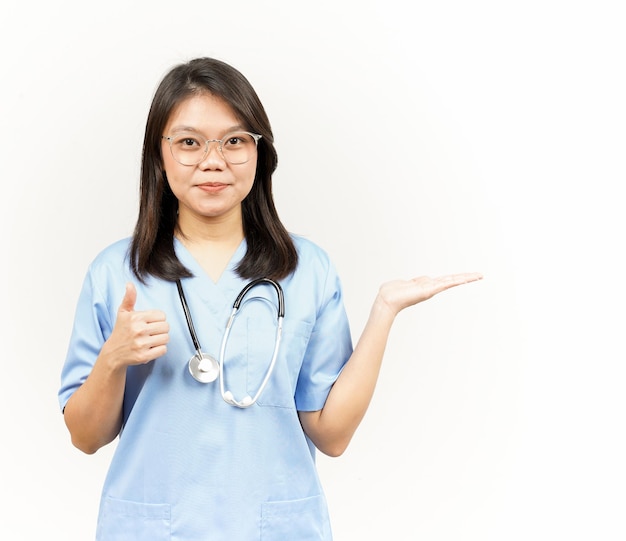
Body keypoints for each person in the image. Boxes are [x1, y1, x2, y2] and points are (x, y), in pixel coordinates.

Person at [58, 56, 482, 541]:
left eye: (235, 141)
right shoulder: (116, 272)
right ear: (159, 154)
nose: (213, 160)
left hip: (276, 528)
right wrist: (113, 360)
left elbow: (332, 434)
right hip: (156, 528)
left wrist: (383, 312)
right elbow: (85, 437)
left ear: (260, 154)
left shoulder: (308, 270)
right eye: (189, 142)